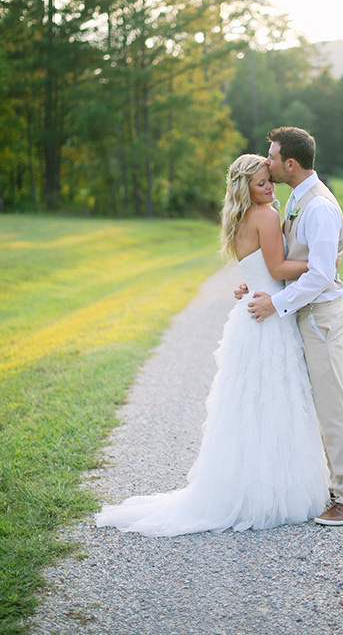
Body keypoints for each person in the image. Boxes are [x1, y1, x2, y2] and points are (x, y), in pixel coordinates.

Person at [95, 154, 330, 536]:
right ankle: (270, 494)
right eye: (261, 184)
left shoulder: (238, 217)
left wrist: (250, 285)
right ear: (246, 189)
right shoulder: (268, 216)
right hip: (268, 318)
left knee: (250, 407)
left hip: (250, 315)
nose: (269, 188)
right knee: (273, 402)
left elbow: (255, 270)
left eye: (269, 180)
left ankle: (246, 487)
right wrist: (323, 262)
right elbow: (277, 270)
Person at [245, 127, 343, 526]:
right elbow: (291, 257)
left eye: (273, 157)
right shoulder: (297, 198)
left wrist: (276, 302)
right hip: (304, 315)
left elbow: (320, 276)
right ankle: (335, 485)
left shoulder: (319, 207)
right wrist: (258, 284)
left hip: (321, 318)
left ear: (290, 164)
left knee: (333, 408)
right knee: (316, 405)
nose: (268, 162)